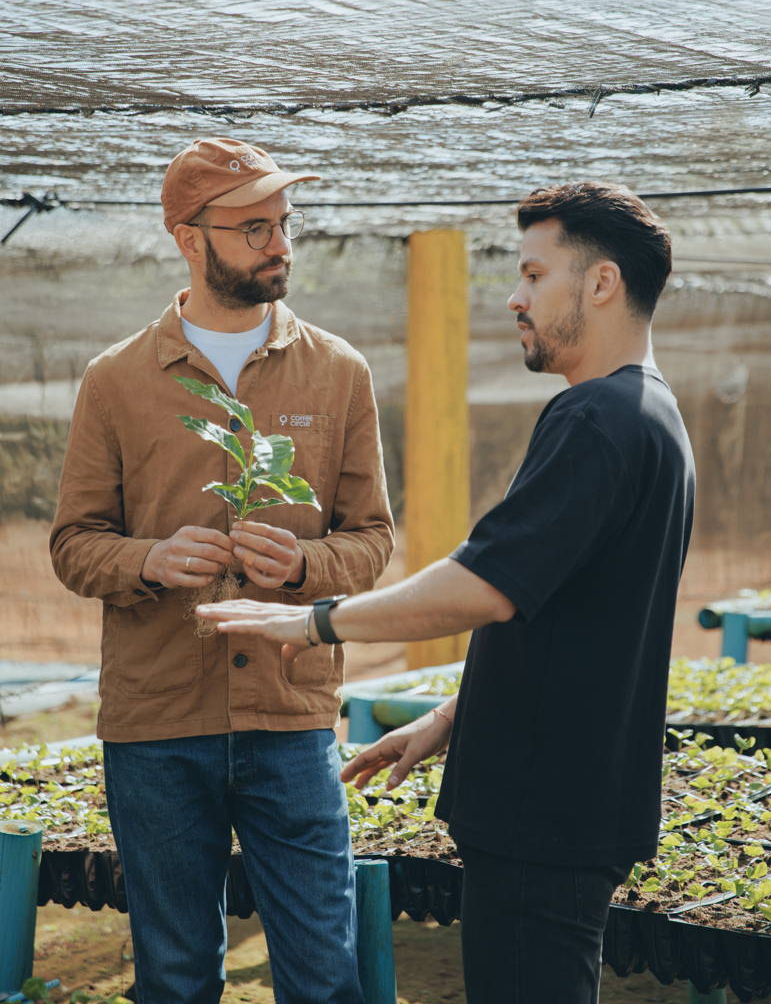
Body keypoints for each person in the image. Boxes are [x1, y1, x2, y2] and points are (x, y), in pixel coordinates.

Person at [197, 181, 696, 1004]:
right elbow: (582, 620)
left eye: (535, 276)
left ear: (601, 283)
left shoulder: (597, 420)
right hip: (573, 799)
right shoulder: (651, 417)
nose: (515, 297)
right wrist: (450, 719)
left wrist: (314, 621)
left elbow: (487, 585)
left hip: (543, 815)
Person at [50, 136, 394, 1004]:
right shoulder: (117, 380)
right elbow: (74, 543)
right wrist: (151, 561)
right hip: (158, 722)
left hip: (291, 717)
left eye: (283, 224)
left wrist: (307, 563)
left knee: (323, 973)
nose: (278, 244)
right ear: (188, 238)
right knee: (173, 976)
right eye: (252, 229)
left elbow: (373, 538)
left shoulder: (339, 372)